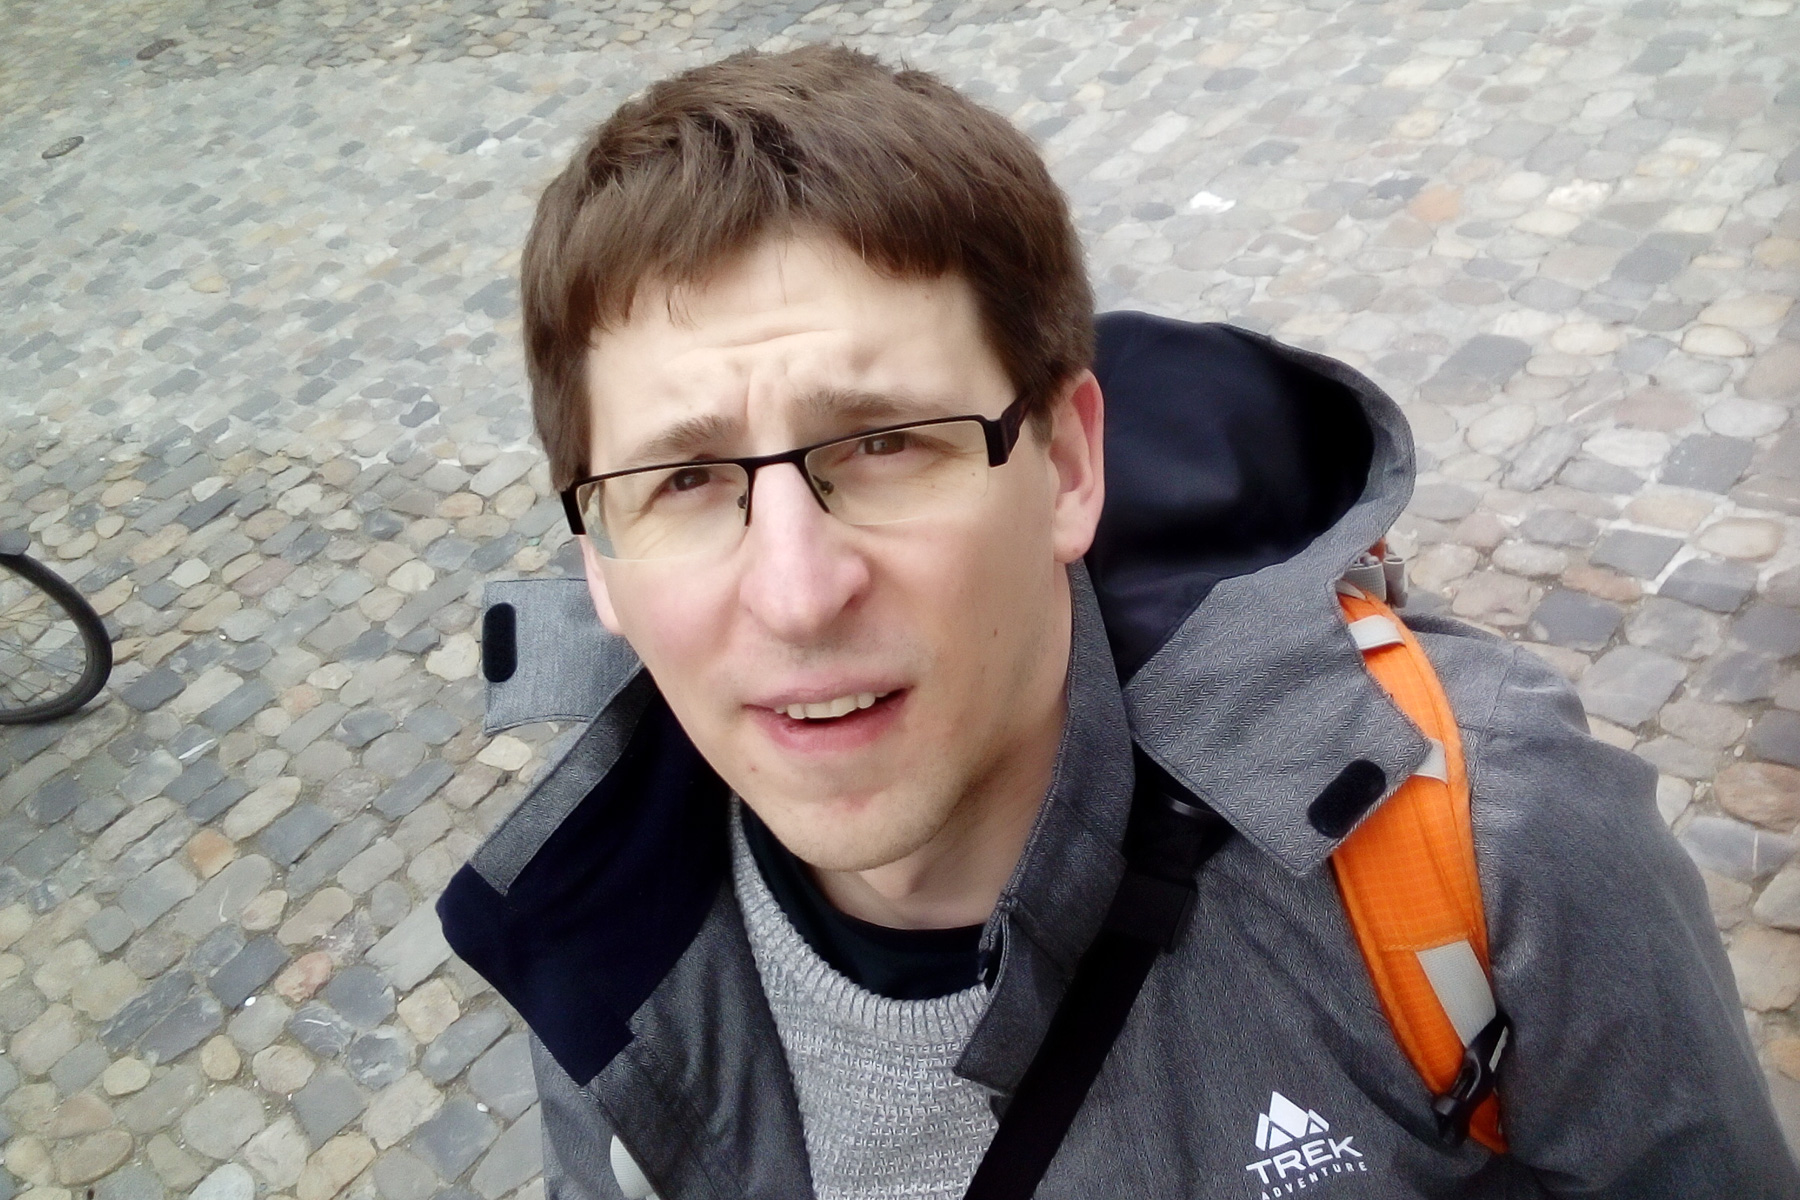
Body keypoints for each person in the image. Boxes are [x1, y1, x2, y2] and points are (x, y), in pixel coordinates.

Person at [438, 43, 1796, 1200]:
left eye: (888, 442)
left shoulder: (1496, 842)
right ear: (597, 555)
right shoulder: (589, 942)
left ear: (1070, 464)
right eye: (683, 480)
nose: (796, 594)